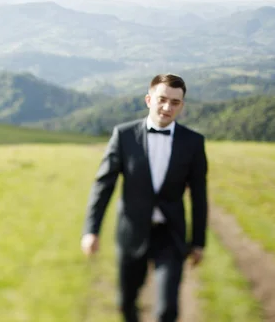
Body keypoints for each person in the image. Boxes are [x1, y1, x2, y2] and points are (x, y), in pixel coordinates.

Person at [80, 73, 208, 322]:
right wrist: (91, 230)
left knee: (167, 309)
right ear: (149, 100)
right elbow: (103, 186)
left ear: (182, 106)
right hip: (132, 231)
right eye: (162, 99)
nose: (167, 107)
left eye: (175, 102)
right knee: (126, 304)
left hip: (170, 235)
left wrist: (199, 242)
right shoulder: (124, 136)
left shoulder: (193, 142)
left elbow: (199, 196)